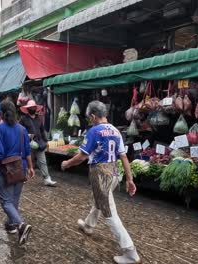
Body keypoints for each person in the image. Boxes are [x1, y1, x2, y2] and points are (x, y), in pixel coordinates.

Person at [61, 101, 141, 264]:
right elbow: (124, 157)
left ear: (93, 116)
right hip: (114, 173)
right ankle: (89, 225)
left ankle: (131, 253)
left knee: (110, 213)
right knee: (100, 201)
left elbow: (82, 156)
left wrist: (67, 163)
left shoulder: (94, 131)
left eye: (89, 117)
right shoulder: (115, 131)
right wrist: (130, 179)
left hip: (100, 175)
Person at [0, 100, 34, 245]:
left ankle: (21, 224)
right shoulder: (22, 129)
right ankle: (11, 225)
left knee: (5, 200)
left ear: (2, 113)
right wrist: (30, 167)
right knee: (14, 198)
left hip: (6, 169)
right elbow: (27, 150)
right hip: (21, 167)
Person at [19, 100, 57, 186]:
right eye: (31, 107)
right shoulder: (23, 119)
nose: (33, 108)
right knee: (25, 161)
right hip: (27, 144)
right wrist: (27, 135)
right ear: (27, 109)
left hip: (39, 143)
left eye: (34, 107)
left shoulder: (38, 119)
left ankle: (47, 178)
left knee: (43, 161)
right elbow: (19, 131)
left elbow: (42, 131)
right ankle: (22, 177)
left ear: (36, 108)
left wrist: (46, 141)